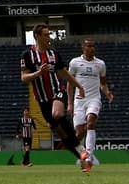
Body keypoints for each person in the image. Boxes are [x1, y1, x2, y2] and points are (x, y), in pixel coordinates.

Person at [19, 24, 91, 171]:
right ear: (37, 36)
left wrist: (79, 85)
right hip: (42, 99)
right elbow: (24, 78)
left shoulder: (54, 54)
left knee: (57, 114)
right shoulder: (27, 55)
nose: (48, 38)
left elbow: (64, 73)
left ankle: (81, 149)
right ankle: (81, 156)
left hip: (57, 90)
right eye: (45, 35)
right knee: (60, 133)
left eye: (48, 34)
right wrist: (38, 73)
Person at [69, 39, 114, 167]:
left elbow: (103, 83)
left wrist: (107, 93)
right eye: (89, 46)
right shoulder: (75, 63)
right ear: (83, 47)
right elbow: (70, 84)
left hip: (94, 99)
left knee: (91, 122)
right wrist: (70, 103)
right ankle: (83, 154)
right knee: (79, 133)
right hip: (79, 101)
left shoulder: (100, 64)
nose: (92, 48)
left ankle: (89, 157)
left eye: (93, 46)